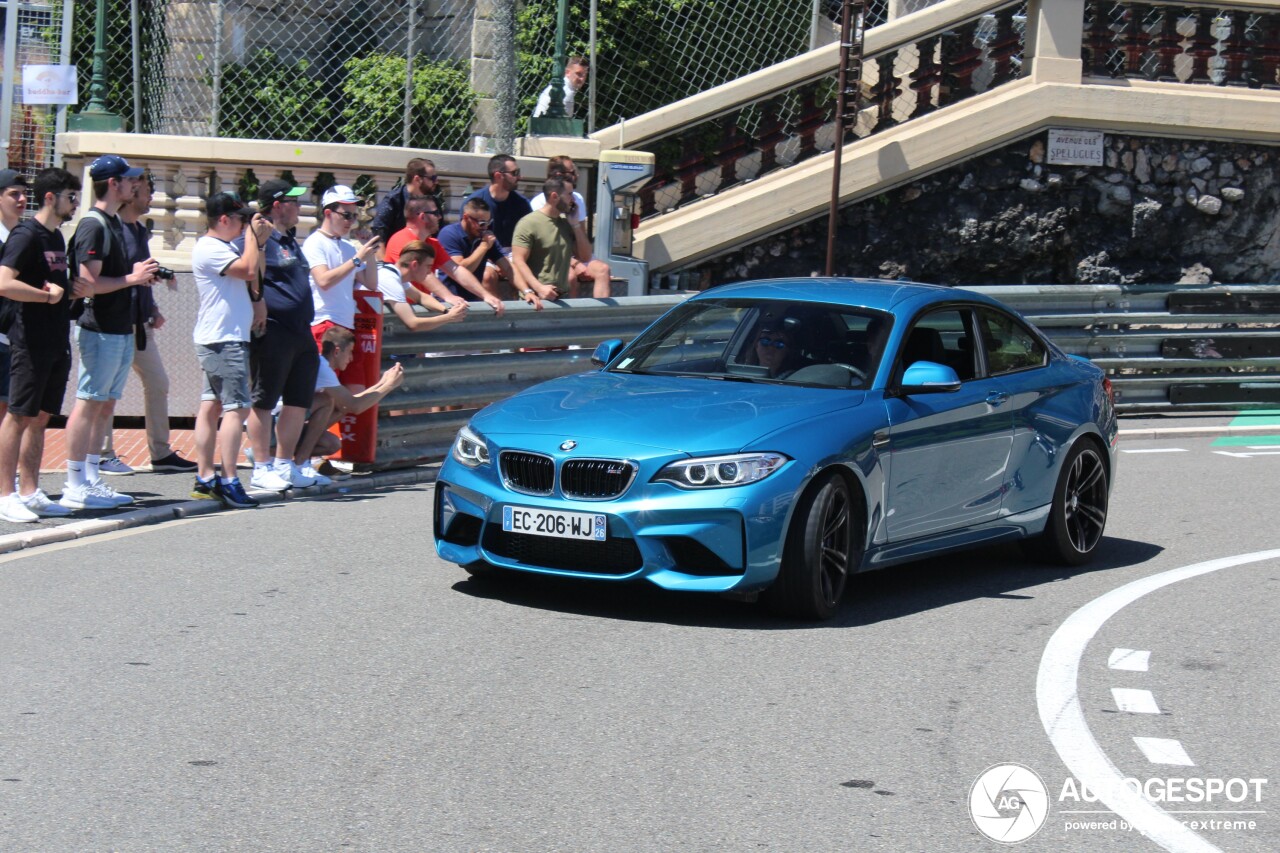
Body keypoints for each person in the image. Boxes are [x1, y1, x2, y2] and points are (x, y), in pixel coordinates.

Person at [61, 155, 159, 510]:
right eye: (129, 179)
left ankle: (90, 478)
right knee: (88, 403)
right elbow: (86, 284)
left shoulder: (113, 222)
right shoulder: (94, 224)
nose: (135, 184)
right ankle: (75, 483)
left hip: (118, 328)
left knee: (102, 404)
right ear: (113, 183)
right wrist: (131, 278)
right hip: (99, 328)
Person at [97, 173, 197, 475]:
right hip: (113, 325)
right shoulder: (111, 229)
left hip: (140, 325)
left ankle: (161, 453)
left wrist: (151, 306)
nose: (151, 198)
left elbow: (141, 275)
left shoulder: (139, 230)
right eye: (147, 193)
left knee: (158, 384)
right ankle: (103, 454)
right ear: (133, 193)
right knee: (106, 393)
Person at [0, 168, 84, 522]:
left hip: (55, 341)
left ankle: (31, 490)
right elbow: (3, 282)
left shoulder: (55, 237)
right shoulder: (26, 235)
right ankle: (5, 495)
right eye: (70, 197)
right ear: (50, 198)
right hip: (28, 341)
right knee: (17, 416)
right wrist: (44, 298)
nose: (75, 204)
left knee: (40, 418)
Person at [235, 178, 320, 491]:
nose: (299, 206)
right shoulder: (258, 237)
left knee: (298, 401)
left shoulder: (289, 238)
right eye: (293, 201)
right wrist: (257, 303)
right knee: (264, 400)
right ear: (276, 205)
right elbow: (248, 274)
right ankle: (261, 465)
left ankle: (285, 464)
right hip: (273, 329)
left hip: (301, 331)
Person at [189, 192, 271, 510]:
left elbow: (255, 275)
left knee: (211, 407)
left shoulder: (224, 248)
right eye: (239, 219)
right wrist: (252, 237)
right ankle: (229, 479)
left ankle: (206, 478)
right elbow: (249, 270)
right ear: (223, 219)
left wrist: (258, 243)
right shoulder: (209, 248)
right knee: (237, 409)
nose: (243, 226)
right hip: (224, 340)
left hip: (224, 337)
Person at [293, 325, 404, 472]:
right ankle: (299, 463)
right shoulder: (322, 369)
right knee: (327, 401)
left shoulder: (322, 366)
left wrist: (382, 383)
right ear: (337, 351)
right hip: (279, 424)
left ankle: (291, 459)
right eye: (350, 352)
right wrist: (389, 385)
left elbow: (348, 404)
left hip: (287, 424)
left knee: (332, 442)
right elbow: (355, 406)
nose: (351, 358)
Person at [303, 185, 381, 391]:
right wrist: (357, 259)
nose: (351, 222)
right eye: (346, 215)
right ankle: (313, 425)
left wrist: (370, 252)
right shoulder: (314, 243)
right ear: (328, 213)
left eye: (354, 216)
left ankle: (319, 424)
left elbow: (371, 283)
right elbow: (324, 281)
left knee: (355, 393)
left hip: (347, 326)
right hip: (324, 324)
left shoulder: (347, 247)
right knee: (324, 394)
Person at [384, 195, 506, 315]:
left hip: (420, 308)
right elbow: (425, 274)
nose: (439, 217)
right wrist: (449, 297)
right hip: (397, 312)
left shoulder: (432, 243)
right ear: (422, 216)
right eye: (435, 213)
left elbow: (456, 270)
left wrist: (486, 295)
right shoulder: (401, 240)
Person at [529, 156, 611, 298]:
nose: (577, 175)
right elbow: (548, 246)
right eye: (572, 172)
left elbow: (584, 253)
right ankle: (573, 319)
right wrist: (575, 264)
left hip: (572, 255)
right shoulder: (538, 203)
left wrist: (575, 225)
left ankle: (599, 317)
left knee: (603, 270)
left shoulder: (577, 199)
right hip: (550, 258)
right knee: (570, 277)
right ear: (559, 175)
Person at [437, 198, 541, 308]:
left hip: (472, 301)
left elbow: (508, 267)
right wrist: (483, 247)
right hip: (448, 301)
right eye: (482, 223)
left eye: (489, 223)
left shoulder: (486, 237)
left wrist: (527, 291)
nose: (485, 227)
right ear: (466, 217)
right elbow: (460, 271)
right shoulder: (449, 234)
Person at [510, 176, 591, 302]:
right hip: (535, 301)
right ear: (554, 196)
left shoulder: (566, 224)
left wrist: (575, 224)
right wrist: (538, 288)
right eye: (569, 194)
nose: (573, 199)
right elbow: (518, 261)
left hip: (561, 299)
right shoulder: (528, 223)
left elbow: (586, 257)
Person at [376, 240, 470, 333]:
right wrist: (449, 317)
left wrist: (446, 310)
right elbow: (412, 324)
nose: (430, 272)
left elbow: (420, 297)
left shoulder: (393, 273)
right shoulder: (390, 280)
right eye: (428, 266)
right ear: (415, 265)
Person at [0, 169, 31, 427]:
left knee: (11, 405)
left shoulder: (25, 236)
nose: (21, 199)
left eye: (24, 194)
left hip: (17, 337)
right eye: (14, 194)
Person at [469, 154, 531, 253]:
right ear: (498, 176)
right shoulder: (474, 203)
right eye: (515, 173)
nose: (520, 177)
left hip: (513, 258)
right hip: (484, 257)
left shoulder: (522, 204)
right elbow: (468, 240)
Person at [369, 158, 440, 243]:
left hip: (426, 253)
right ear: (417, 179)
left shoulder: (433, 202)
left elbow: (439, 235)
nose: (436, 182)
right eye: (433, 178)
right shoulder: (393, 200)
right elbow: (378, 235)